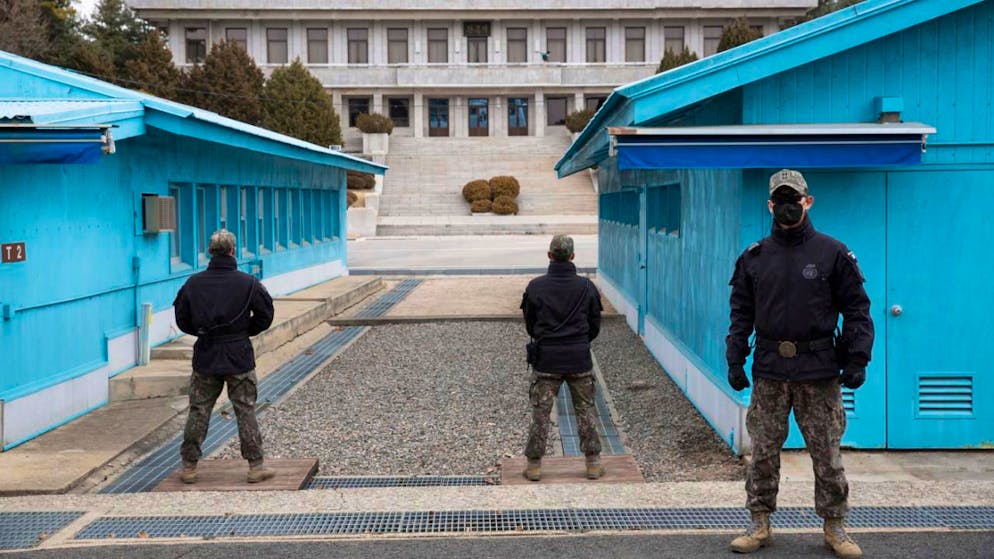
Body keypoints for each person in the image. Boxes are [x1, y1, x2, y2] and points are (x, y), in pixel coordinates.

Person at [725, 170, 874, 558]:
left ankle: (835, 526)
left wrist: (858, 357)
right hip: (770, 369)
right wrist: (735, 357)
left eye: (796, 198)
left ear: (809, 201)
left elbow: (857, 309)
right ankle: (759, 523)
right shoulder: (754, 257)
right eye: (781, 199)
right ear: (770, 205)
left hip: (819, 371)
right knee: (762, 453)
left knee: (827, 453)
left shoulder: (832, 253)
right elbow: (740, 312)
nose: (789, 205)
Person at [173, 229, 276, 484]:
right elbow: (265, 316)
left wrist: (202, 333)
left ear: (210, 252)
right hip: (238, 354)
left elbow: (182, 320)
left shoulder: (193, 283)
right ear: (233, 251)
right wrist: (244, 332)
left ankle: (189, 467)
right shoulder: (248, 283)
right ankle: (255, 466)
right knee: (245, 409)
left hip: (206, 354)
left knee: (199, 410)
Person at [520, 234, 605, 481]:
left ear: (549, 255)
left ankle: (534, 465)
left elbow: (530, 325)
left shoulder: (535, 287)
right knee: (586, 411)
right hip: (579, 358)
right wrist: (579, 340)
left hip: (547, 360)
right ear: (573, 256)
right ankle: (593, 463)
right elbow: (594, 325)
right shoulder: (587, 287)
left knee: (541, 413)